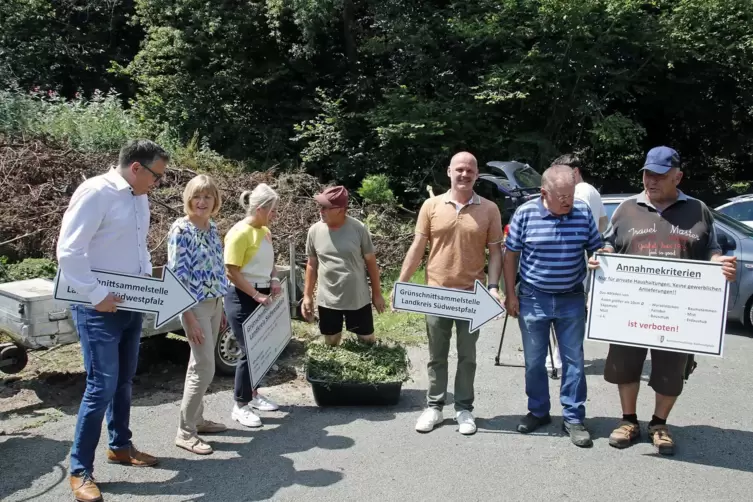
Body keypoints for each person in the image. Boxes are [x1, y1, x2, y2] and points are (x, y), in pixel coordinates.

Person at [589, 146, 737, 455]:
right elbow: (608, 244)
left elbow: (711, 249)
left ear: (678, 177)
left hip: (678, 313)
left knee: (671, 372)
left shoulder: (698, 209)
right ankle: (629, 420)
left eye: (659, 176)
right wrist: (602, 256)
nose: (650, 181)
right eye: (647, 174)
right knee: (625, 366)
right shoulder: (626, 208)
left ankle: (659, 423)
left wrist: (718, 264)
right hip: (630, 307)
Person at [57, 139, 168, 502]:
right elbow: (69, 251)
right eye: (156, 175)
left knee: (123, 379)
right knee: (100, 386)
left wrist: (143, 287)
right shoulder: (95, 192)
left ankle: (120, 446)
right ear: (136, 167)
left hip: (129, 305)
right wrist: (95, 295)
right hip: (97, 309)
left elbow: (135, 249)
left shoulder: (139, 197)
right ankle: (79, 471)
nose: (158, 183)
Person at [393, 152, 504, 436]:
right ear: (449, 172)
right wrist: (402, 284)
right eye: (459, 169)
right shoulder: (431, 206)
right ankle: (434, 406)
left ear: (477, 174)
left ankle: (464, 409)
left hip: (472, 296)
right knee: (436, 355)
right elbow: (417, 248)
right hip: (437, 294)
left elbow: (495, 253)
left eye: (469, 170)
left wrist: (493, 287)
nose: (464, 174)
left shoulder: (489, 209)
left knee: (468, 356)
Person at [503, 164, 603, 448]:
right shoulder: (525, 214)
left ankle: (573, 417)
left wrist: (600, 255)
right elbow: (511, 256)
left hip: (571, 297)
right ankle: (538, 410)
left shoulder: (582, 212)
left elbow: (597, 246)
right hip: (533, 297)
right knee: (534, 361)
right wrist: (511, 294)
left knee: (573, 362)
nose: (568, 201)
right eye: (562, 196)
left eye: (571, 194)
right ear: (544, 193)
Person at [167, 174, 230, 455]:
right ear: (188, 199)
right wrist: (189, 318)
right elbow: (176, 277)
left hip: (215, 303)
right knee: (204, 367)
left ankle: (198, 419)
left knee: (201, 365)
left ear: (215, 200)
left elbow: (218, 269)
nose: (202, 202)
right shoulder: (181, 230)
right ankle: (185, 432)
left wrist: (223, 305)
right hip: (194, 307)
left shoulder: (211, 227)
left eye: (207, 197)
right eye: (196, 196)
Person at [223, 183, 283, 428]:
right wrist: (256, 295)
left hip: (262, 291)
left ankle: (254, 394)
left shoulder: (264, 230)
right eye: (272, 210)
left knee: (261, 348)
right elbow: (231, 271)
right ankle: (240, 405)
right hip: (241, 295)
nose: (275, 215)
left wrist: (275, 278)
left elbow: (270, 262)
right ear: (259, 209)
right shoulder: (239, 232)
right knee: (249, 350)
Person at [545, 154, 608, 371]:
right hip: (582, 261)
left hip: (573, 261)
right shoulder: (592, 191)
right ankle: (562, 357)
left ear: (576, 171)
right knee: (572, 313)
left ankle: (557, 358)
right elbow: (602, 223)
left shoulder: (582, 191)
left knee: (563, 312)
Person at [302, 185, 386, 346]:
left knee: (367, 342)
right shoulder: (314, 231)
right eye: (320, 206)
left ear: (340, 209)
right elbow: (312, 265)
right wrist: (307, 296)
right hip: (328, 299)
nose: (321, 210)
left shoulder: (358, 229)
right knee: (331, 343)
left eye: (326, 207)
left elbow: (371, 263)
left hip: (357, 297)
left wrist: (377, 294)